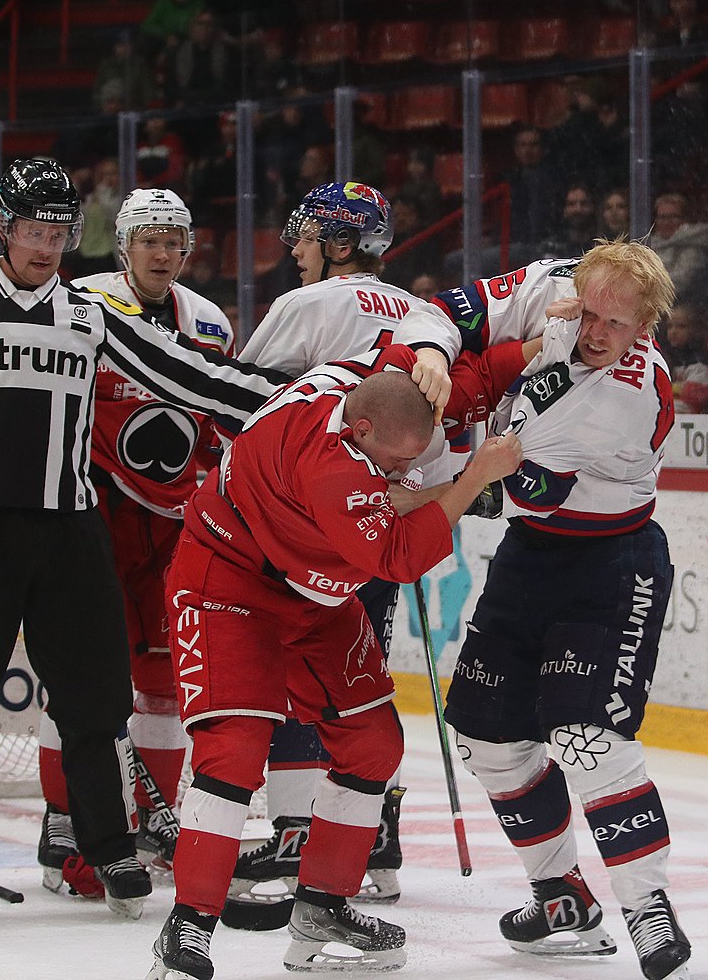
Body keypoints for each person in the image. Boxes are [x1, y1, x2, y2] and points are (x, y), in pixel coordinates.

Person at [0, 158, 287, 931]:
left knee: (98, 701)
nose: (45, 247)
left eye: (58, 233)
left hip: (70, 536)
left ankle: (109, 848)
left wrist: (298, 399)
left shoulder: (91, 316)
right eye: (33, 231)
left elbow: (192, 375)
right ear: (5, 228)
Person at [224, 182, 554, 929]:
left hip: (319, 520)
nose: (298, 248)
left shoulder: (308, 306)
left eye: (310, 236)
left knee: (305, 675)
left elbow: (249, 404)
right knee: (363, 674)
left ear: (339, 244)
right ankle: (376, 842)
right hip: (401, 514)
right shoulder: (415, 308)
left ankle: (298, 832)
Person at [144, 363, 525, 980]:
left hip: (316, 595)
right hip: (228, 586)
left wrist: (430, 356)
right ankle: (188, 926)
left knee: (375, 746)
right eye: (397, 462)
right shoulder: (331, 468)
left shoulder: (341, 386)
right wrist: (473, 476)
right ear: (361, 430)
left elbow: (411, 360)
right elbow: (399, 554)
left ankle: (321, 911)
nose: (404, 473)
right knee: (234, 753)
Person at [397, 241, 692, 980]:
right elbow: (444, 312)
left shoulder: (629, 392)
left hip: (611, 563)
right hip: (534, 557)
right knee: (485, 734)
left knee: (585, 735)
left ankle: (647, 907)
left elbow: (511, 485)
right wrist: (433, 354)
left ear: (647, 326)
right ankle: (560, 894)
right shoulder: (548, 283)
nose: (595, 332)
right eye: (588, 312)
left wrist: (413, 494)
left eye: (615, 325)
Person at [29, 188, 235, 898]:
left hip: (175, 528)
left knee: (165, 688)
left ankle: (154, 816)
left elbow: (215, 420)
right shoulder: (80, 303)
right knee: (81, 680)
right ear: (123, 244)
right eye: (150, 239)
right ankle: (63, 817)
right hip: (94, 517)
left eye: (175, 241)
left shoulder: (206, 320)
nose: (164, 254)